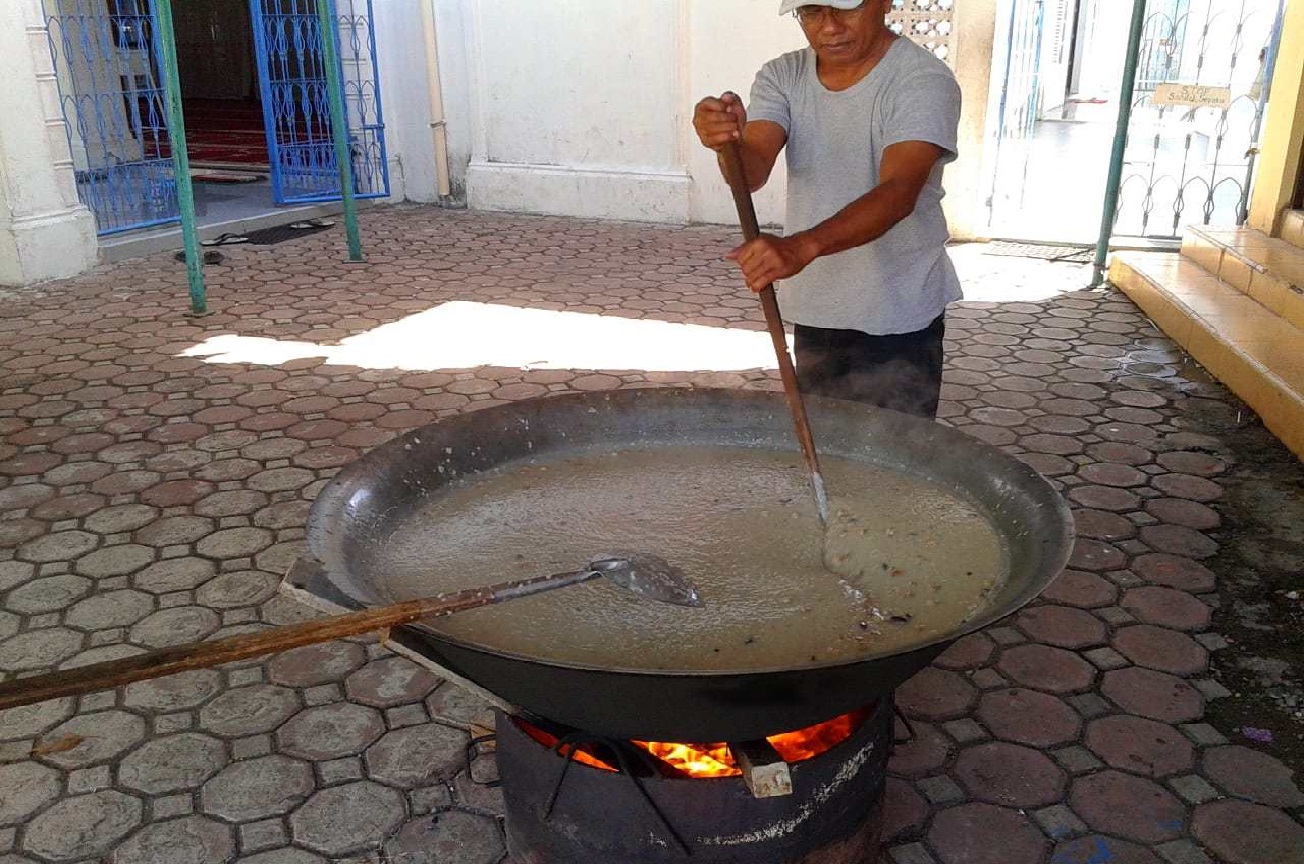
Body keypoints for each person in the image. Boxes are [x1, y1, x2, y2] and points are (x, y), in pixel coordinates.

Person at [692, 0, 963, 419]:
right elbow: (749, 173)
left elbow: (898, 192)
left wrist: (801, 247)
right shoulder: (783, 75)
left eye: (846, 9)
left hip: (897, 308)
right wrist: (726, 143)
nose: (830, 28)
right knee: (829, 442)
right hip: (819, 304)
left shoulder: (922, 80)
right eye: (813, 12)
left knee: (895, 458)